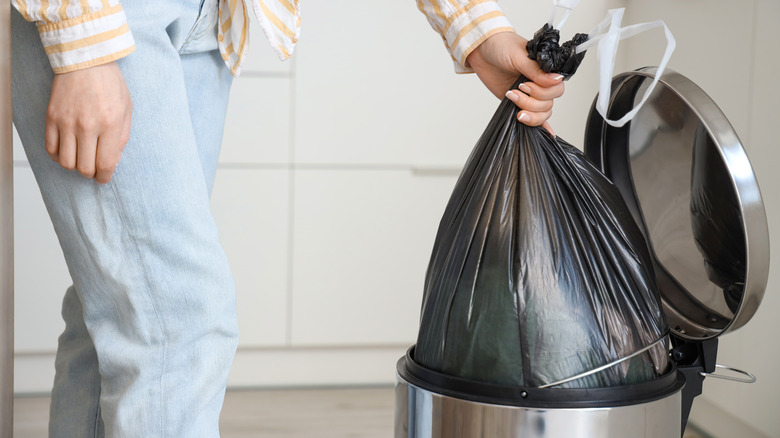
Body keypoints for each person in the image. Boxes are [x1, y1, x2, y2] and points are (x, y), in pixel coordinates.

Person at [10, 0, 565, 436]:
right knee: (174, 317)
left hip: (213, 19)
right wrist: (81, 39)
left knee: (123, 308)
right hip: (110, 15)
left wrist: (477, 29)